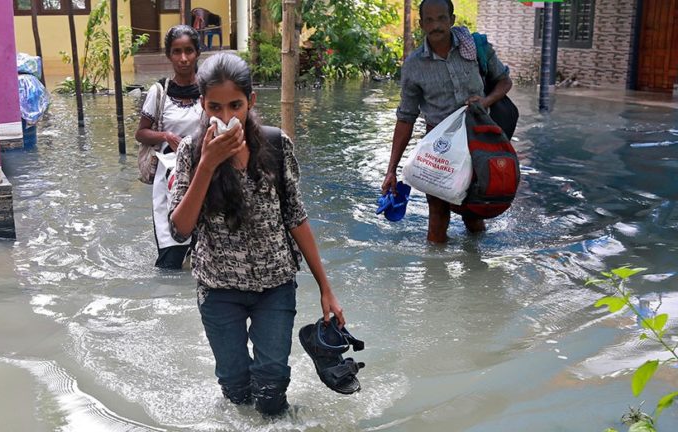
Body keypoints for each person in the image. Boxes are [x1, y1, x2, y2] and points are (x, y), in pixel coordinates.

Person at [168, 53, 345, 416]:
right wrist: (207, 163)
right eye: (215, 107)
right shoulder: (191, 152)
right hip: (218, 289)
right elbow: (180, 228)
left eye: (236, 105)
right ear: (202, 104)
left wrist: (327, 289)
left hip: (275, 286)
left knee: (271, 386)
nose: (226, 117)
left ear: (251, 101)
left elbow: (296, 218)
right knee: (235, 388)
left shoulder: (277, 146)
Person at [381, 0, 513, 243]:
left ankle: (479, 272)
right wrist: (391, 170)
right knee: (438, 215)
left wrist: (486, 101)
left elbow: (504, 81)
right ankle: (434, 276)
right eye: (429, 20)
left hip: (479, 142)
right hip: (441, 149)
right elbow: (405, 118)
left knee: (473, 213)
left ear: (452, 20)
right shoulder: (414, 66)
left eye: (441, 18)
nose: (436, 25)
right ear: (421, 25)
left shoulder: (475, 48)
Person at [135, 25, 202, 269]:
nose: (183, 59)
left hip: (203, 175)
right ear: (169, 55)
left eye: (189, 51)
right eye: (177, 52)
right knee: (170, 255)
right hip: (168, 180)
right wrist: (166, 135)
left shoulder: (209, 91)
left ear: (197, 53)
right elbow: (141, 133)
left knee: (203, 252)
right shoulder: (159, 91)